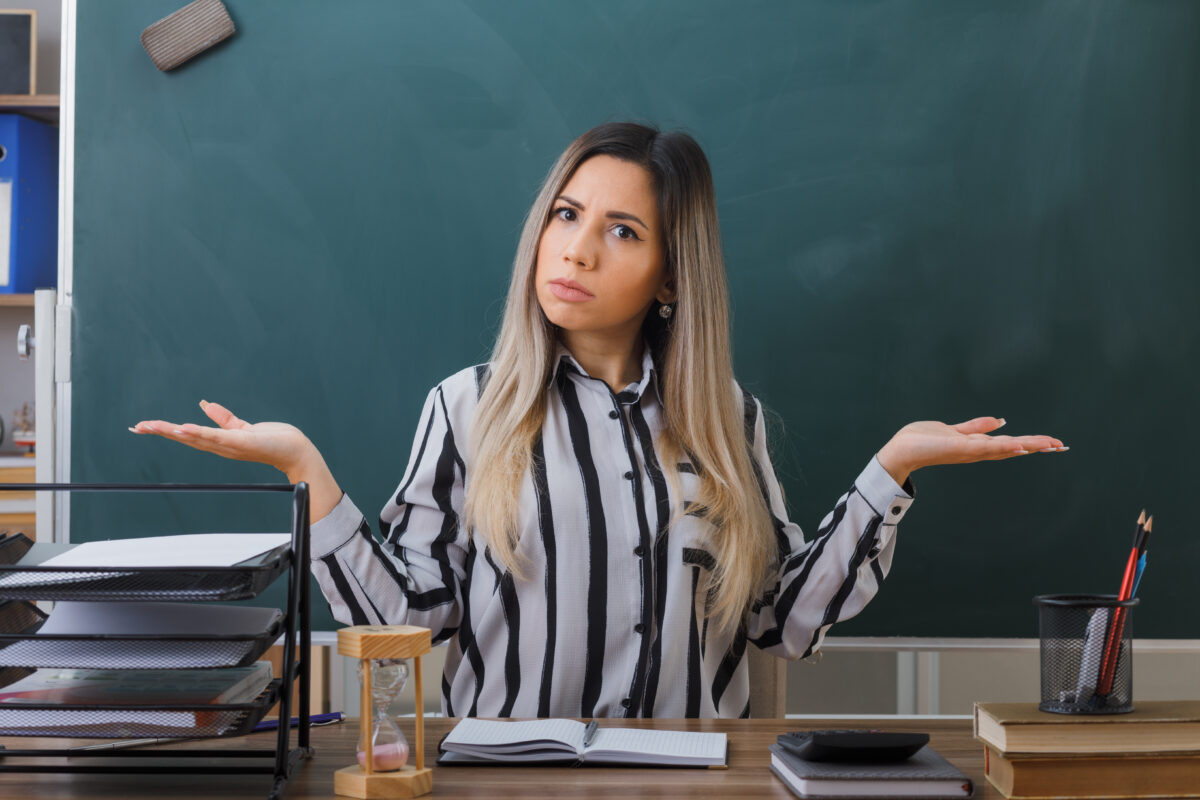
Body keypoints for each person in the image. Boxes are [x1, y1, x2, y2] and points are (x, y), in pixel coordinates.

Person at [131, 122, 1065, 718]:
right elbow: (409, 618)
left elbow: (782, 619)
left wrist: (889, 473)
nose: (575, 248)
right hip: (502, 783)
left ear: (669, 278)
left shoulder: (725, 420)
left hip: (700, 784)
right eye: (566, 214)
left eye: (622, 230)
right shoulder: (465, 408)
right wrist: (309, 472)